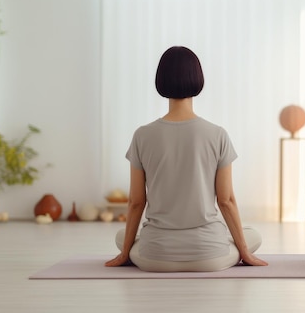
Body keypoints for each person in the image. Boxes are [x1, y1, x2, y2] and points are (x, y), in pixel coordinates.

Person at [105, 46, 267, 272]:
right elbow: (226, 200)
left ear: (160, 81)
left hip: (154, 258)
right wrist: (245, 253)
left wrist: (125, 254)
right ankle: (233, 247)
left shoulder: (142, 135)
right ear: (198, 79)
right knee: (253, 235)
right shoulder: (217, 134)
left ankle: (133, 250)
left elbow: (136, 202)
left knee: (123, 237)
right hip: (209, 257)